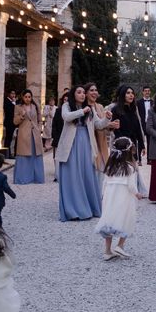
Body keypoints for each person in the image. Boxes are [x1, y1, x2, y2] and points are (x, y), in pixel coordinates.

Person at [56, 85, 109, 222]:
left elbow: (98, 125)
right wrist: (82, 111)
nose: (82, 95)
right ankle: (72, 210)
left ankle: (89, 207)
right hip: (71, 144)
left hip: (86, 143)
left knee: (86, 173)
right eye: (79, 92)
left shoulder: (90, 109)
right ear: (73, 94)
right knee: (72, 174)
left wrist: (107, 119)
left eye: (83, 93)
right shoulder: (67, 105)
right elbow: (66, 117)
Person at [94, 137, 142, 260]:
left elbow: (104, 183)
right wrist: (137, 194)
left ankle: (107, 250)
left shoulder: (110, 167)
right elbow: (131, 186)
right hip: (124, 196)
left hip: (110, 196)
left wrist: (103, 195)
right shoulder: (129, 168)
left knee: (109, 220)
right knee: (126, 218)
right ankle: (120, 245)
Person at [13, 89, 44, 184]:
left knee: (36, 155)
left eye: (29, 97)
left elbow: (40, 120)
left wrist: (39, 129)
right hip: (24, 134)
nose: (27, 99)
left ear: (31, 97)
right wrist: (21, 116)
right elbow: (15, 122)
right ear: (22, 97)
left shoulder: (35, 106)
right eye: (25, 97)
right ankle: (23, 178)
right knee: (24, 155)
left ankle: (37, 178)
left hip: (35, 134)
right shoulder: (18, 107)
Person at [84, 82, 113, 183]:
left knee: (102, 170)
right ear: (86, 93)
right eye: (91, 90)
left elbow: (101, 124)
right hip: (89, 143)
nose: (94, 92)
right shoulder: (83, 108)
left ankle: (99, 196)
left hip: (101, 143)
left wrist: (110, 125)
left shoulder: (100, 106)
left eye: (96, 90)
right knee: (90, 170)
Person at [110, 86, 145, 161]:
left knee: (133, 169)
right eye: (128, 93)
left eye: (132, 93)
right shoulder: (115, 110)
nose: (131, 95)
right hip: (121, 146)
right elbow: (115, 130)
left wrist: (142, 144)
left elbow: (138, 128)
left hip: (133, 144)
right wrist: (125, 143)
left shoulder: (133, 109)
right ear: (123, 95)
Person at [51, 92, 69, 182]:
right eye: (64, 100)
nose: (66, 102)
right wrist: (55, 136)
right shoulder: (58, 111)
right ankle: (57, 175)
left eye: (67, 100)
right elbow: (54, 125)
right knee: (57, 158)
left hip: (69, 138)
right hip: (59, 137)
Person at [136, 86, 153, 165]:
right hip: (141, 124)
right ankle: (139, 160)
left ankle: (149, 159)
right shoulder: (138, 102)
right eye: (145, 91)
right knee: (140, 141)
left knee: (150, 142)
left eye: (148, 91)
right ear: (143, 92)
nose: (147, 92)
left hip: (150, 124)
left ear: (150, 92)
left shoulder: (153, 102)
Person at [3, 90, 17, 158]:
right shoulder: (6, 101)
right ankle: (7, 154)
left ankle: (11, 153)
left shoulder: (12, 101)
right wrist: (14, 103)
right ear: (9, 94)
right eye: (12, 93)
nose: (13, 95)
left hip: (13, 123)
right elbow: (11, 111)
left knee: (11, 138)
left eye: (14, 93)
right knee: (8, 138)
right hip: (9, 122)